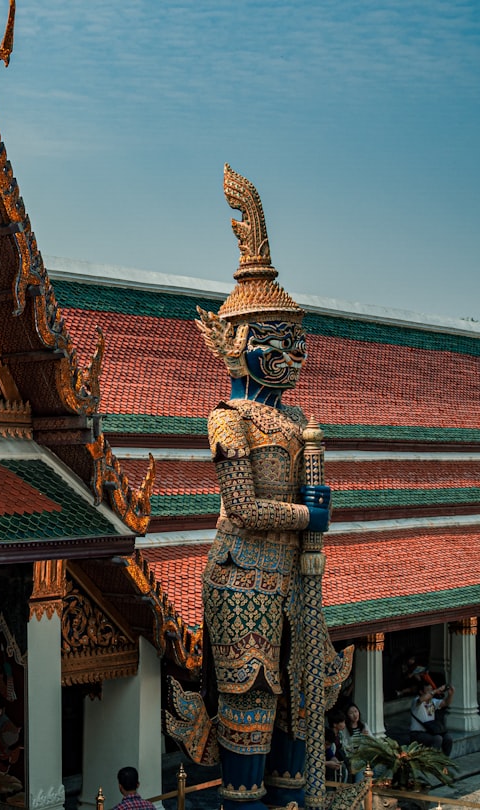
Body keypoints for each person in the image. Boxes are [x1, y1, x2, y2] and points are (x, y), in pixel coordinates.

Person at [190, 166, 351, 810]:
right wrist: (306, 517)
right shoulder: (228, 419)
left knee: (299, 711)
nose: (291, 353)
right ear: (235, 345)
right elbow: (244, 508)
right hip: (242, 579)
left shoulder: (293, 422)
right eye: (275, 340)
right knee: (252, 705)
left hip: (290, 579)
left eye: (296, 339)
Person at [410, 683, 455, 755]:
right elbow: (422, 699)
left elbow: (446, 703)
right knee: (437, 739)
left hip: (431, 732)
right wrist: (436, 690)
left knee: (448, 738)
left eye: (431, 690)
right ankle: (432, 761)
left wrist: (450, 694)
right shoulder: (416, 701)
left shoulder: (433, 701)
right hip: (417, 734)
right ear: (421, 692)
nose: (431, 692)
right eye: (428, 690)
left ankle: (445, 761)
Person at [325, 711, 349, 782]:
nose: (344, 724)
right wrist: (328, 763)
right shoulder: (328, 735)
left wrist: (335, 761)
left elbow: (331, 754)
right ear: (335, 724)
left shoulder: (340, 735)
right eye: (342, 722)